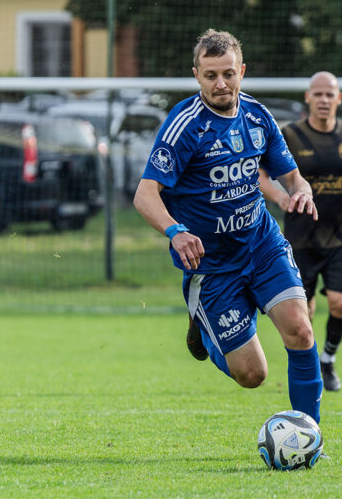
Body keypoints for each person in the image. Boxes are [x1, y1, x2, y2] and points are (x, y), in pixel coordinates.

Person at [134, 29, 324, 424]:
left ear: (242, 71)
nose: (220, 83)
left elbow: (291, 176)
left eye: (228, 73)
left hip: (262, 245)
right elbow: (145, 195)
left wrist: (302, 190)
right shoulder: (185, 125)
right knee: (253, 375)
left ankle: (309, 438)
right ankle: (205, 330)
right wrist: (175, 231)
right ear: (196, 76)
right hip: (212, 264)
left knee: (301, 331)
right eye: (210, 75)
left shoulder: (257, 115)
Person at [265, 71, 342, 392]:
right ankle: (310, 372)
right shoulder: (290, 135)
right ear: (308, 98)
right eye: (318, 94)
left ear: (338, 99)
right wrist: (280, 197)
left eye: (329, 94)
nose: (324, 100)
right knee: (304, 312)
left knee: (340, 304)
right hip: (300, 238)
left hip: (340, 235)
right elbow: (261, 174)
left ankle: (328, 360)